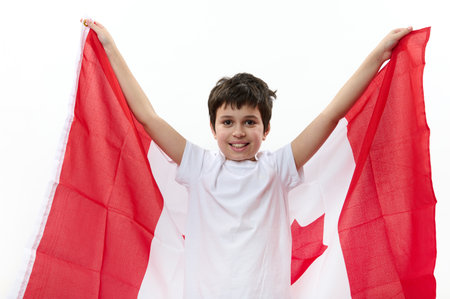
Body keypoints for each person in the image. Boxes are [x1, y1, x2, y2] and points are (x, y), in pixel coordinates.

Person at [83, 19, 412, 299]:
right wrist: (110, 49)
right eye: (228, 122)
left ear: (266, 129)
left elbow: (330, 116)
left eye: (249, 122)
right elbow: (148, 118)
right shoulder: (199, 167)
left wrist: (379, 55)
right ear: (213, 128)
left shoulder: (278, 168)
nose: (238, 132)